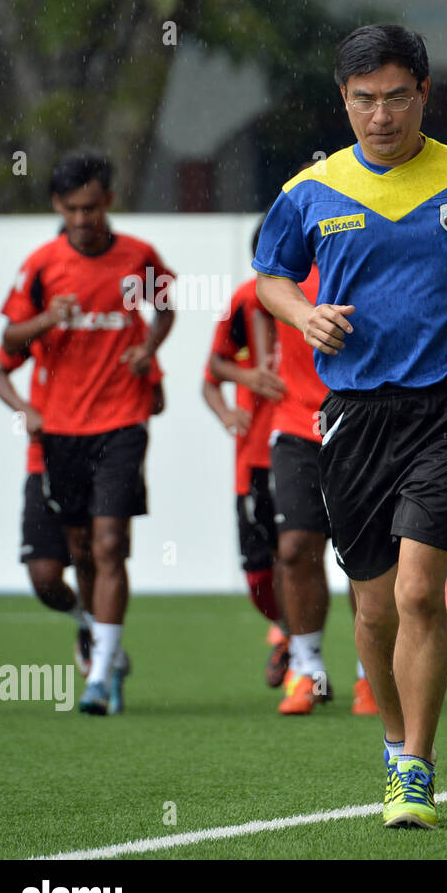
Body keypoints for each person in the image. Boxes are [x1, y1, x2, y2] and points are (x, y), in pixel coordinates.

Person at [252, 24, 447, 829]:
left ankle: (417, 766)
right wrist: (304, 313)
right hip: (351, 416)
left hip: (444, 405)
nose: (381, 115)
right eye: (364, 100)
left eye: (396, 97)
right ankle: (394, 738)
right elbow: (270, 277)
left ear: (423, 95)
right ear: (343, 100)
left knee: (417, 591)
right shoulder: (310, 191)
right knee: (372, 609)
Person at [0, 149, 175, 715]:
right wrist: (50, 318)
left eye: (91, 208)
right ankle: (94, 632)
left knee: (108, 544)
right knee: (62, 564)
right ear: (57, 205)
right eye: (72, 209)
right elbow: (8, 345)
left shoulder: (138, 256)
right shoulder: (42, 265)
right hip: (59, 432)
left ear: (108, 202)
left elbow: (166, 307)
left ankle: (100, 677)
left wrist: (147, 350)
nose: (82, 219)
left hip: (121, 422)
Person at [249, 247, 375, 715]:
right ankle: (307, 669)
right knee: (296, 546)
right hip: (297, 428)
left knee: (368, 554)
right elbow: (243, 325)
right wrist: (250, 372)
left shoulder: (371, 254)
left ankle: (372, 675)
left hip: (364, 422)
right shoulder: (274, 277)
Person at [201, 227, 287, 687]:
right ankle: (289, 634)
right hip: (255, 455)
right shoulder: (244, 300)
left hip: (317, 446)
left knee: (303, 555)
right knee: (259, 573)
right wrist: (232, 404)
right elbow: (212, 371)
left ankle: (347, 670)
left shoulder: (332, 292)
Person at [0, 345, 95, 673]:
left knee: (90, 557)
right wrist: (24, 410)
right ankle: (88, 621)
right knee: (44, 578)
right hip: (46, 461)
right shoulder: (47, 315)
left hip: (98, 459)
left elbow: (155, 397)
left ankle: (101, 643)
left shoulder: (115, 322)